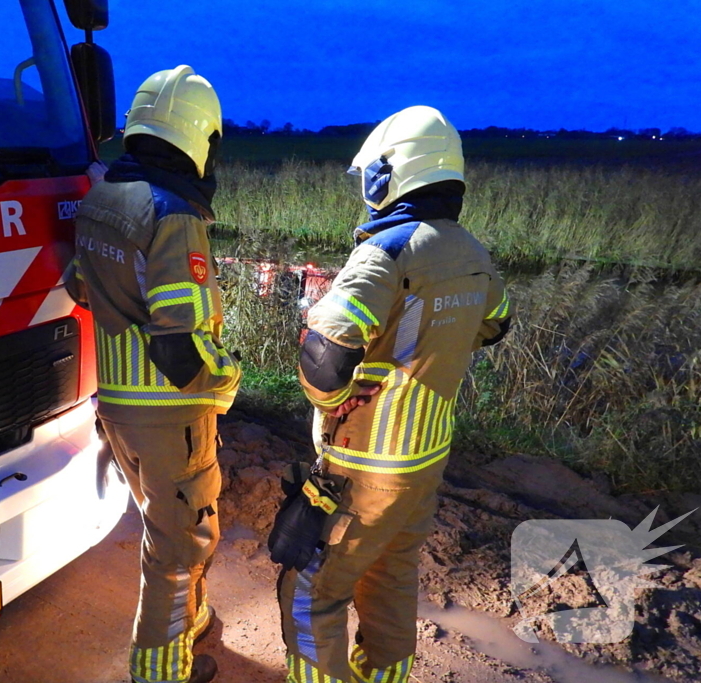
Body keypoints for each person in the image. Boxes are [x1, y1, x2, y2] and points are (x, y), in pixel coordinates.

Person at [270, 106, 512, 683]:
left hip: (363, 467)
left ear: (395, 173)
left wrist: (334, 403)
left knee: (310, 592)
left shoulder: (388, 252)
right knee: (391, 580)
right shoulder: (475, 254)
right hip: (425, 462)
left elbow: (324, 353)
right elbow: (496, 327)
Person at [70, 65, 241, 683]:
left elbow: (80, 288)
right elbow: (179, 348)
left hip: (115, 407)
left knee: (161, 522)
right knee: (178, 546)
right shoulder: (174, 215)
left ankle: (189, 619)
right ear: (200, 139)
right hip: (171, 415)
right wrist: (228, 381)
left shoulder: (103, 199)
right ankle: (161, 669)